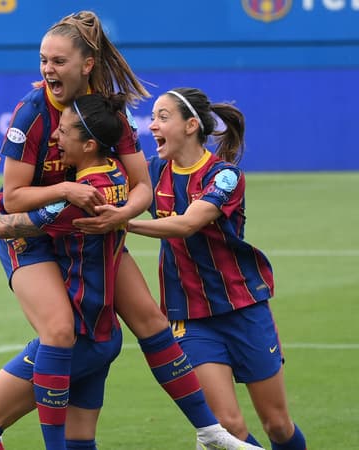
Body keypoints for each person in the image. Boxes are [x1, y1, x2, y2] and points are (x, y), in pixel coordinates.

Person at [0, 11, 250, 449]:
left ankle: (211, 432)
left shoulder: (102, 113)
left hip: (91, 230)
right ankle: (1, 430)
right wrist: (70, 189)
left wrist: (120, 217)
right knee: (59, 332)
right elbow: (13, 196)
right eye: (43, 61)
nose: (47, 70)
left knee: (150, 320)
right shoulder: (32, 113)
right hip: (33, 236)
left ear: (86, 65)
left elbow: (142, 187)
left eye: (57, 61)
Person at [126, 87, 307, 450]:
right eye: (153, 117)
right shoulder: (151, 173)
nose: (152, 125)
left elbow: (186, 224)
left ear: (191, 125)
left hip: (243, 307)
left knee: (277, 426)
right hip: (189, 316)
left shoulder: (225, 177)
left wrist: (121, 224)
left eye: (163, 117)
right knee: (227, 427)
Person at [0, 93, 128, 450]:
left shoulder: (77, 199)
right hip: (104, 332)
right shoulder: (118, 176)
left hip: (73, 339)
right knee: (79, 441)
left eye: (64, 132)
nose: (55, 139)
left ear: (88, 144)